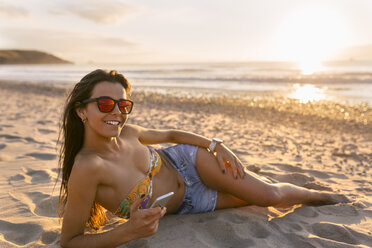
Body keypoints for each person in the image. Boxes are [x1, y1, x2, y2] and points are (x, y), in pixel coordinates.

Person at [58, 69, 346, 248]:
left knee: (269, 195)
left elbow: (171, 134)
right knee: (252, 198)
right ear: (81, 111)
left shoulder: (129, 132)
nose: (117, 113)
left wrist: (215, 145)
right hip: (189, 204)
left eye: (123, 105)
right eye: (106, 104)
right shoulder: (87, 167)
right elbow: (70, 241)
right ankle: (254, 180)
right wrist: (129, 232)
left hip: (190, 163)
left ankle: (320, 195)